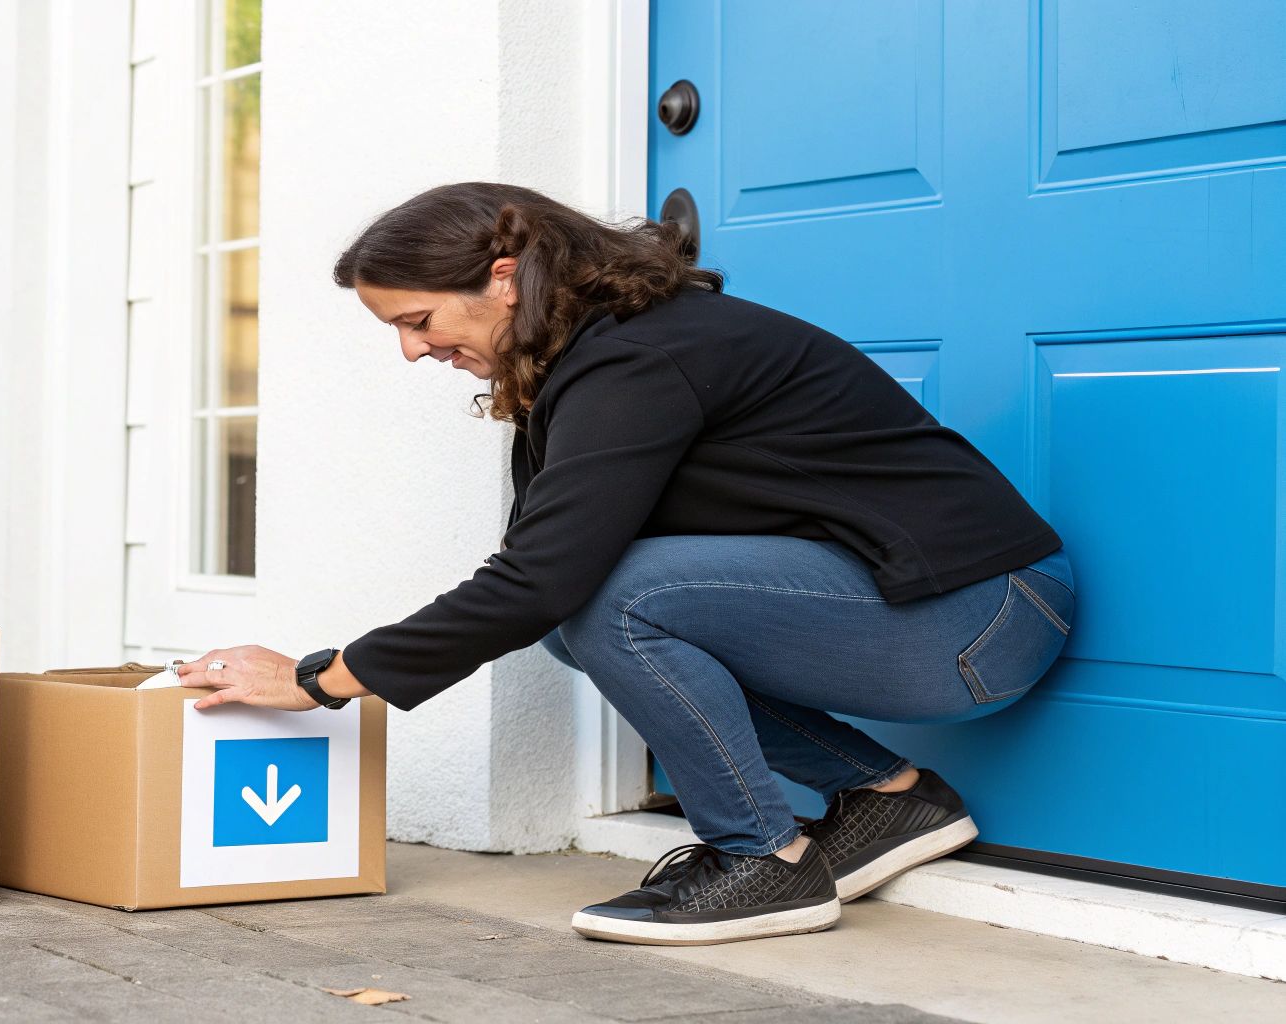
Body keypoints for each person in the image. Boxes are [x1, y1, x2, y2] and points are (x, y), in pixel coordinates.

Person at [175, 182, 1075, 946]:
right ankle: (891, 797)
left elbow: (542, 577)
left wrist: (322, 680)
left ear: (502, 277)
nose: (413, 350)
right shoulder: (584, 358)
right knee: (586, 623)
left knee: (610, 601)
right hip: (930, 607)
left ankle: (763, 858)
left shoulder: (640, 355)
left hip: (985, 613)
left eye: (418, 321)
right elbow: (536, 564)